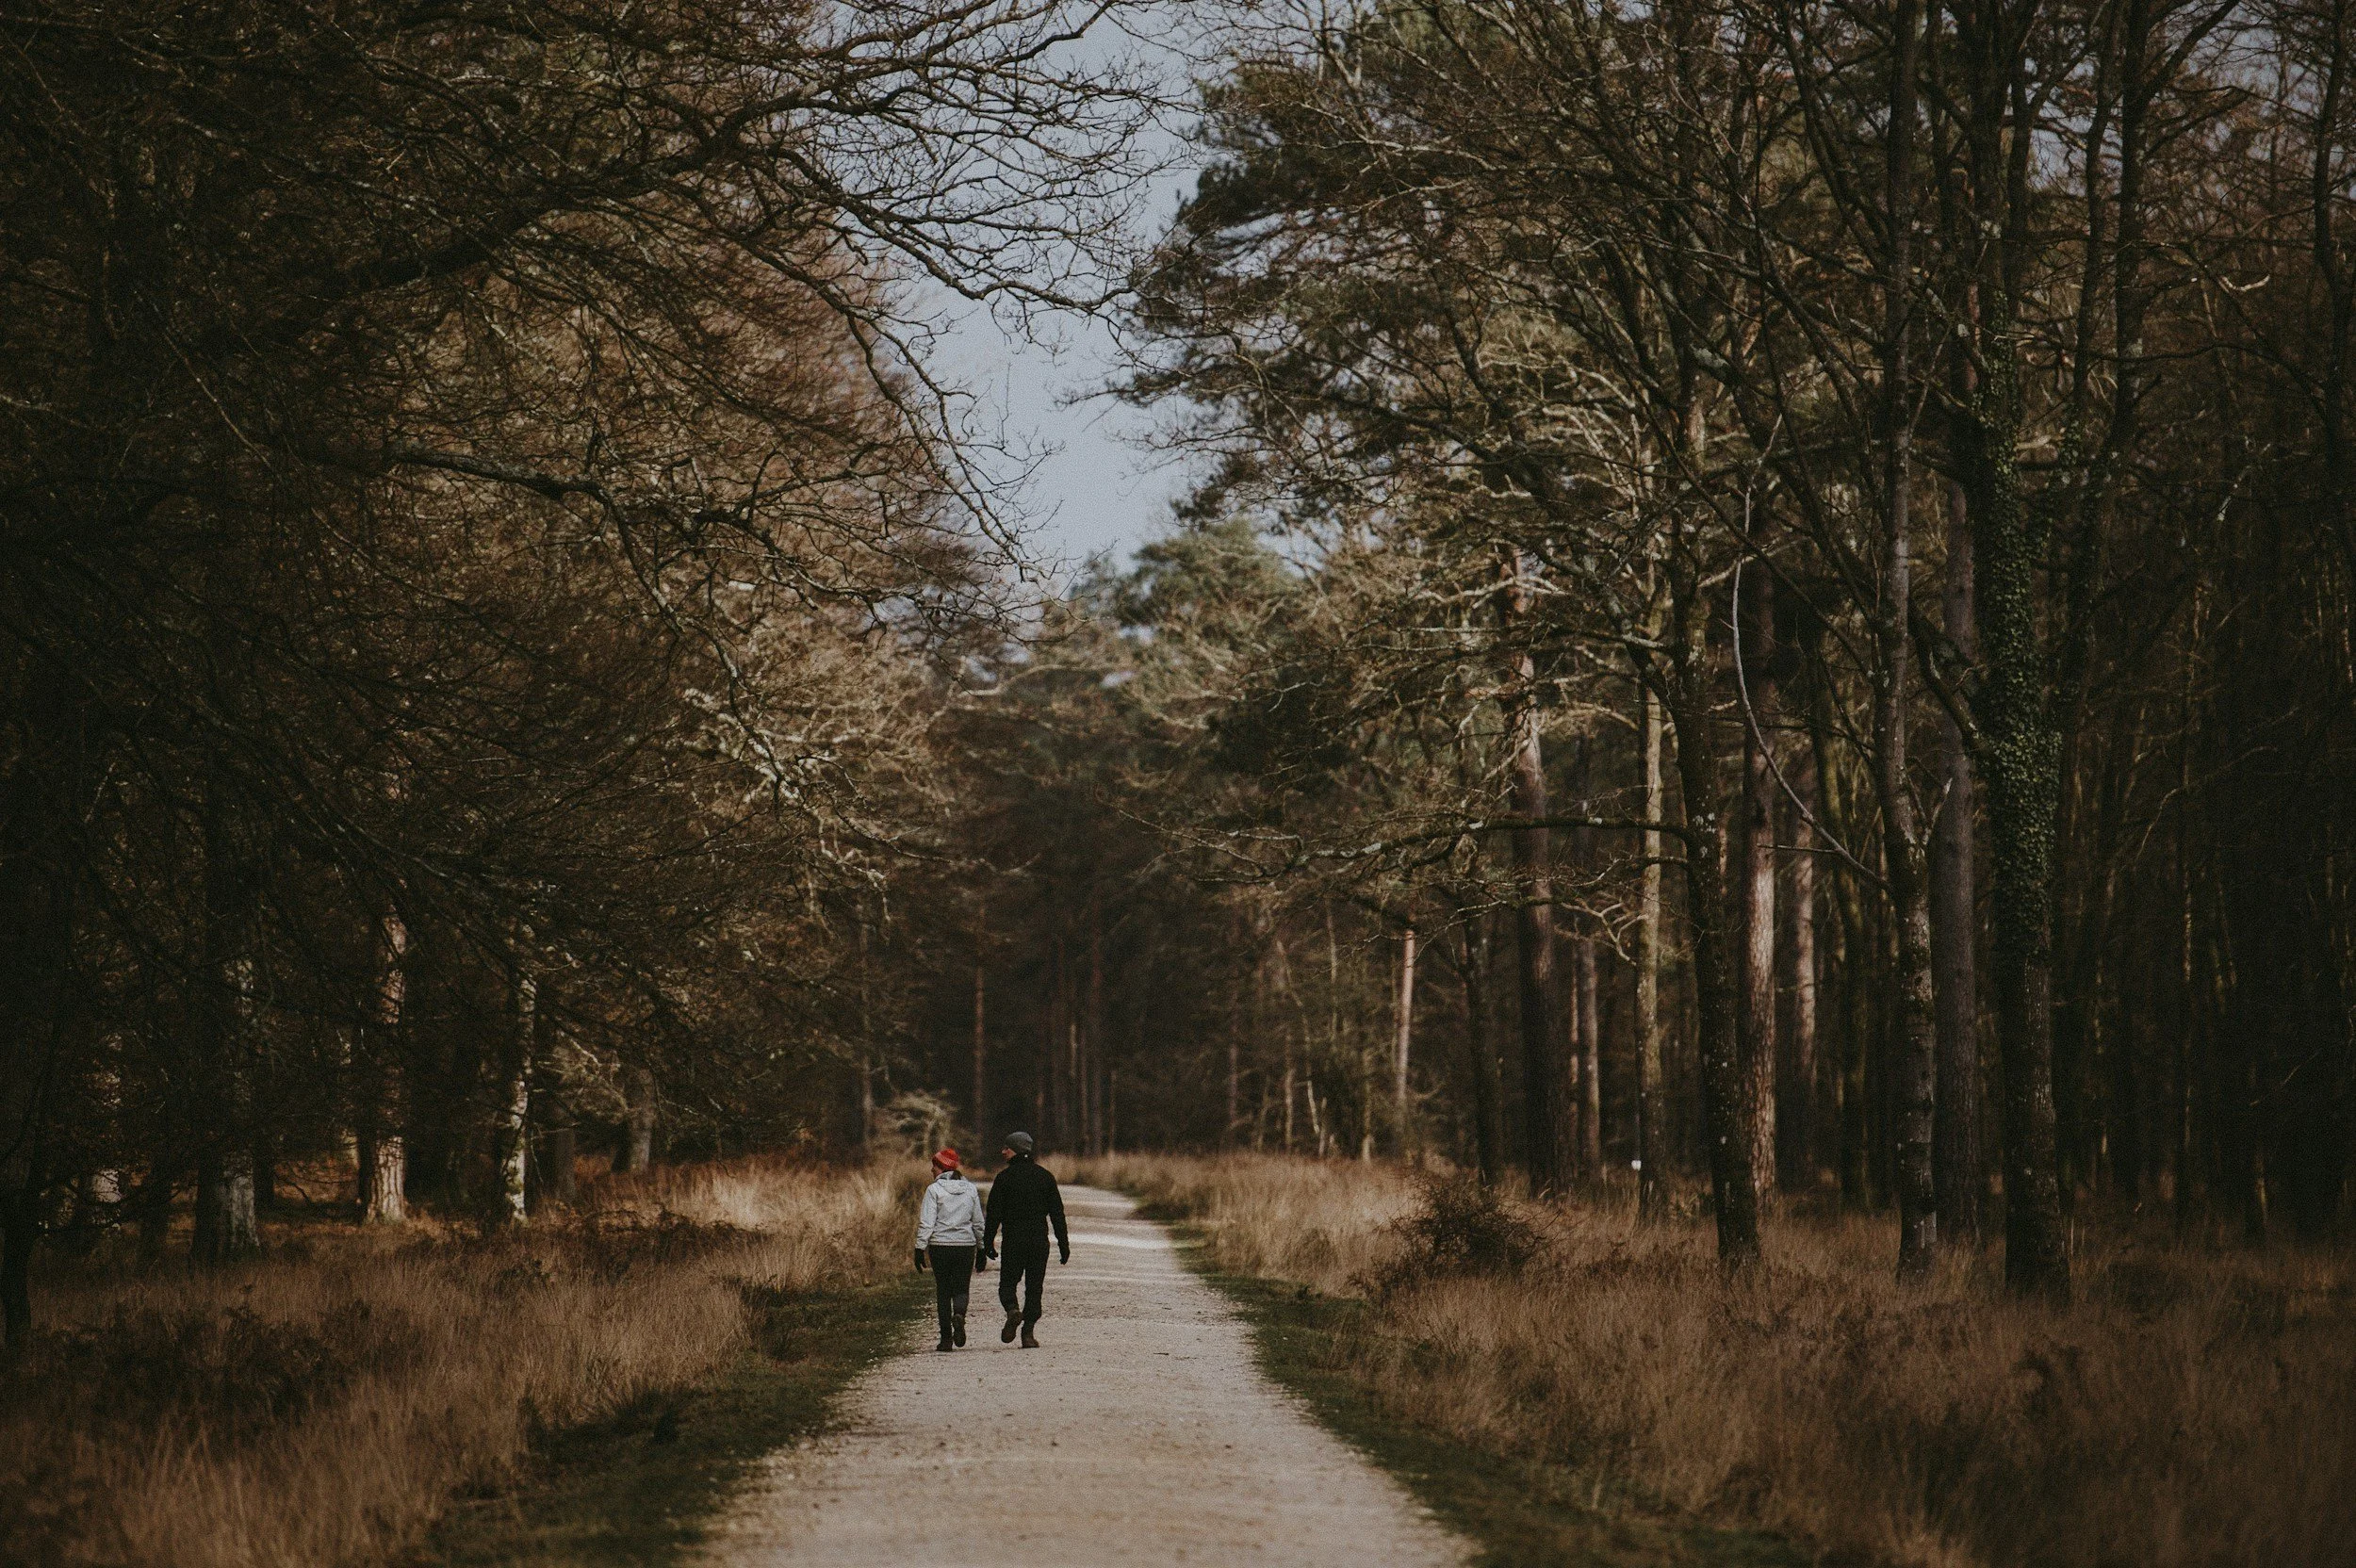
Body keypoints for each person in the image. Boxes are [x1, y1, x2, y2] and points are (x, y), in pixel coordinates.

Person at [981, 1130, 1068, 1348]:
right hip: (1038, 1241)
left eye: (1006, 1148)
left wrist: (988, 1242)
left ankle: (1012, 1310)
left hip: (1013, 1241)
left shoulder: (1004, 1179)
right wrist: (1063, 1244)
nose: (1003, 1152)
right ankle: (1028, 1333)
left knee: (1008, 1284)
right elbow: (1057, 1213)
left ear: (1016, 1150)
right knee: (1034, 1287)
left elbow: (993, 1214)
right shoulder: (1045, 1177)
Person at [913, 1147, 986, 1350]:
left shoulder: (933, 1190)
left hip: (940, 1246)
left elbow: (927, 1222)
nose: (931, 1170)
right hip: (965, 1245)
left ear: (942, 1167)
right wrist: (981, 1248)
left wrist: (920, 1248)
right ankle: (959, 1315)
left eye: (934, 1166)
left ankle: (946, 1339)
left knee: (943, 1291)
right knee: (962, 1288)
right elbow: (978, 1222)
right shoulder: (970, 1189)